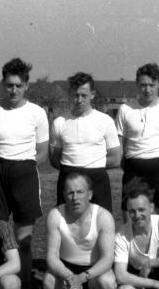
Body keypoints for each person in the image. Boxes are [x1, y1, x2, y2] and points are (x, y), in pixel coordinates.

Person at [0, 58, 49, 289]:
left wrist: (23, 168)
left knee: (24, 240)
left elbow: (42, 152)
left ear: (26, 85)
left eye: (19, 86)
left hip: (25, 174)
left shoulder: (37, 113)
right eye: (9, 85)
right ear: (2, 84)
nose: (14, 91)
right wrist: (2, 166)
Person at [42, 173, 117, 289]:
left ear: (89, 194)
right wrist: (70, 277)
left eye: (80, 192)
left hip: (95, 269)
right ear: (64, 195)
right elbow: (52, 257)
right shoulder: (55, 216)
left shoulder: (104, 217)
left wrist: (81, 278)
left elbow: (107, 259)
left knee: (109, 284)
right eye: (70, 192)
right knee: (49, 282)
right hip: (66, 267)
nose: (75, 197)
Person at [116, 63, 159, 222]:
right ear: (137, 85)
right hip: (133, 173)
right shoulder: (125, 109)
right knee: (132, 225)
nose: (147, 90)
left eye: (151, 85)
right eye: (143, 85)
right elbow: (120, 147)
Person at [49, 72, 122, 212]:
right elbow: (54, 157)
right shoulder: (59, 122)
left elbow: (115, 158)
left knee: (99, 226)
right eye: (76, 95)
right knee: (66, 226)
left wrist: (91, 165)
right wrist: (73, 169)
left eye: (84, 95)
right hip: (68, 180)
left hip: (97, 181)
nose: (80, 100)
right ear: (70, 94)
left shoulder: (105, 121)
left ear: (92, 94)